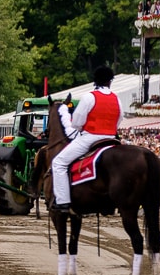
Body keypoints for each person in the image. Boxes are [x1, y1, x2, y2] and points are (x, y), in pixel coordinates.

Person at [50, 66, 122, 213]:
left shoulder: (89, 97)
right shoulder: (117, 98)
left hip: (90, 138)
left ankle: (63, 202)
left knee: (58, 163)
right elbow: (119, 119)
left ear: (95, 81)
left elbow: (77, 122)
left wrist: (81, 128)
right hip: (111, 138)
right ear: (110, 81)